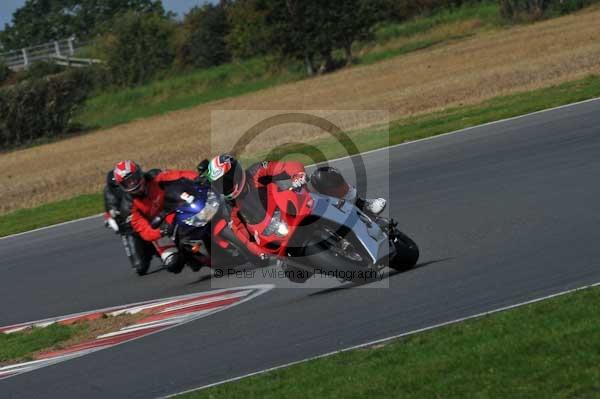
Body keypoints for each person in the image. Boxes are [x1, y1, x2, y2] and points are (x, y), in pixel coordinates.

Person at [205, 154, 387, 258]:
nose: (226, 186)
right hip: (279, 228)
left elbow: (286, 165)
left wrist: (297, 175)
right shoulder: (232, 209)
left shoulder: (257, 171)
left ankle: (364, 204)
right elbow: (244, 236)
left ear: (236, 172)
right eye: (221, 184)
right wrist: (258, 251)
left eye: (227, 180)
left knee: (321, 176)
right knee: (291, 271)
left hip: (299, 201)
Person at [112, 160, 198, 274]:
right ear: (122, 186)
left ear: (139, 173)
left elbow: (179, 175)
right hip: (160, 228)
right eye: (127, 182)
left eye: (133, 178)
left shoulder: (155, 176)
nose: (132, 184)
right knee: (173, 264)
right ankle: (189, 258)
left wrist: (197, 178)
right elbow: (144, 230)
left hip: (176, 210)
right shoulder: (128, 206)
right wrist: (161, 231)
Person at [103, 168, 160, 275]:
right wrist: (114, 213)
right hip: (128, 228)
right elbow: (110, 206)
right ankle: (146, 252)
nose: (129, 184)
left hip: (145, 217)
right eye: (123, 183)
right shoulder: (109, 192)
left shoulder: (141, 182)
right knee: (140, 267)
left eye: (129, 180)